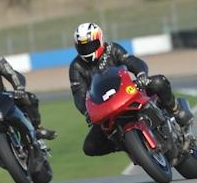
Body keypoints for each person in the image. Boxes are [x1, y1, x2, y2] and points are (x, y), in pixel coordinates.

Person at [69, 22, 192, 156]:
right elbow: (78, 94)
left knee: (158, 82)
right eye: (83, 47)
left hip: (126, 90)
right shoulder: (76, 67)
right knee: (90, 147)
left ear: (100, 39)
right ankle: (126, 145)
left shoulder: (112, 49)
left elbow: (131, 61)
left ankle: (176, 111)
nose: (87, 49)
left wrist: (141, 74)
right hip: (105, 106)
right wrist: (87, 112)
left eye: (90, 45)